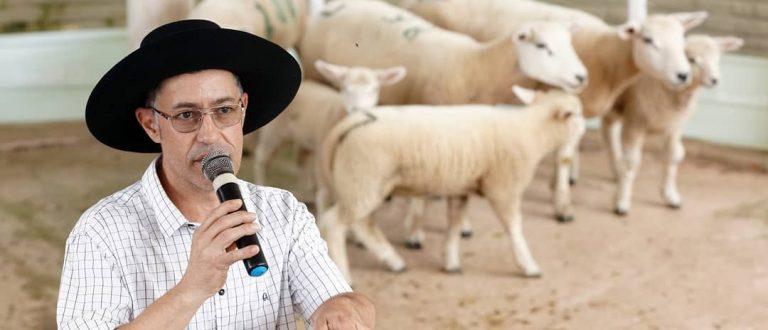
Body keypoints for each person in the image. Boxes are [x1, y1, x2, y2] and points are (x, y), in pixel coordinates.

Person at [56, 19, 375, 330]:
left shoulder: (283, 212)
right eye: (186, 115)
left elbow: (344, 301)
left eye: (224, 111)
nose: (209, 135)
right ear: (151, 124)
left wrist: (342, 310)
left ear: (243, 109)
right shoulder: (100, 233)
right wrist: (193, 288)